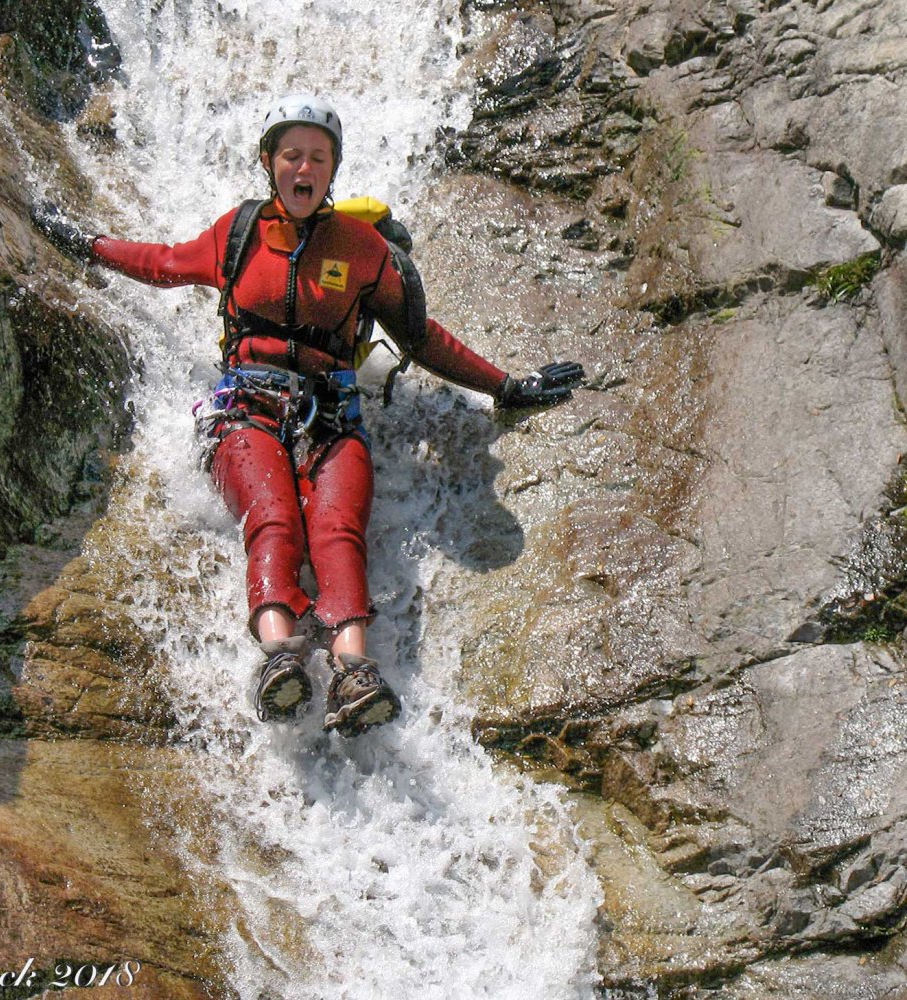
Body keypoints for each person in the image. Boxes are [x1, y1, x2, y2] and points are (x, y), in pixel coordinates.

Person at [32, 94, 584, 737]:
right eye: (292, 154)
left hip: (331, 418)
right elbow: (161, 264)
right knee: (271, 518)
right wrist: (87, 244)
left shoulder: (362, 249)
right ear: (269, 163)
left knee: (338, 528)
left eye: (318, 157)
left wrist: (506, 385)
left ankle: (355, 672)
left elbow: (421, 338)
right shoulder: (237, 234)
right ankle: (279, 659)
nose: (304, 167)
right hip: (246, 410)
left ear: (332, 170)